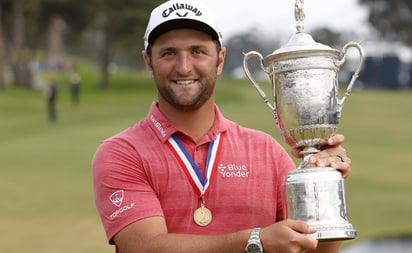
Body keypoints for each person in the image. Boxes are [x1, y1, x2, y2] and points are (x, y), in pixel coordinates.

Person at [92, 1, 352, 252]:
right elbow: (146, 248)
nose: (184, 67)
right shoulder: (122, 153)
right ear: (149, 62)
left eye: (198, 51)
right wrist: (256, 241)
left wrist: (325, 187)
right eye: (169, 53)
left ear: (219, 60)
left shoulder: (266, 152)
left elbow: (313, 249)